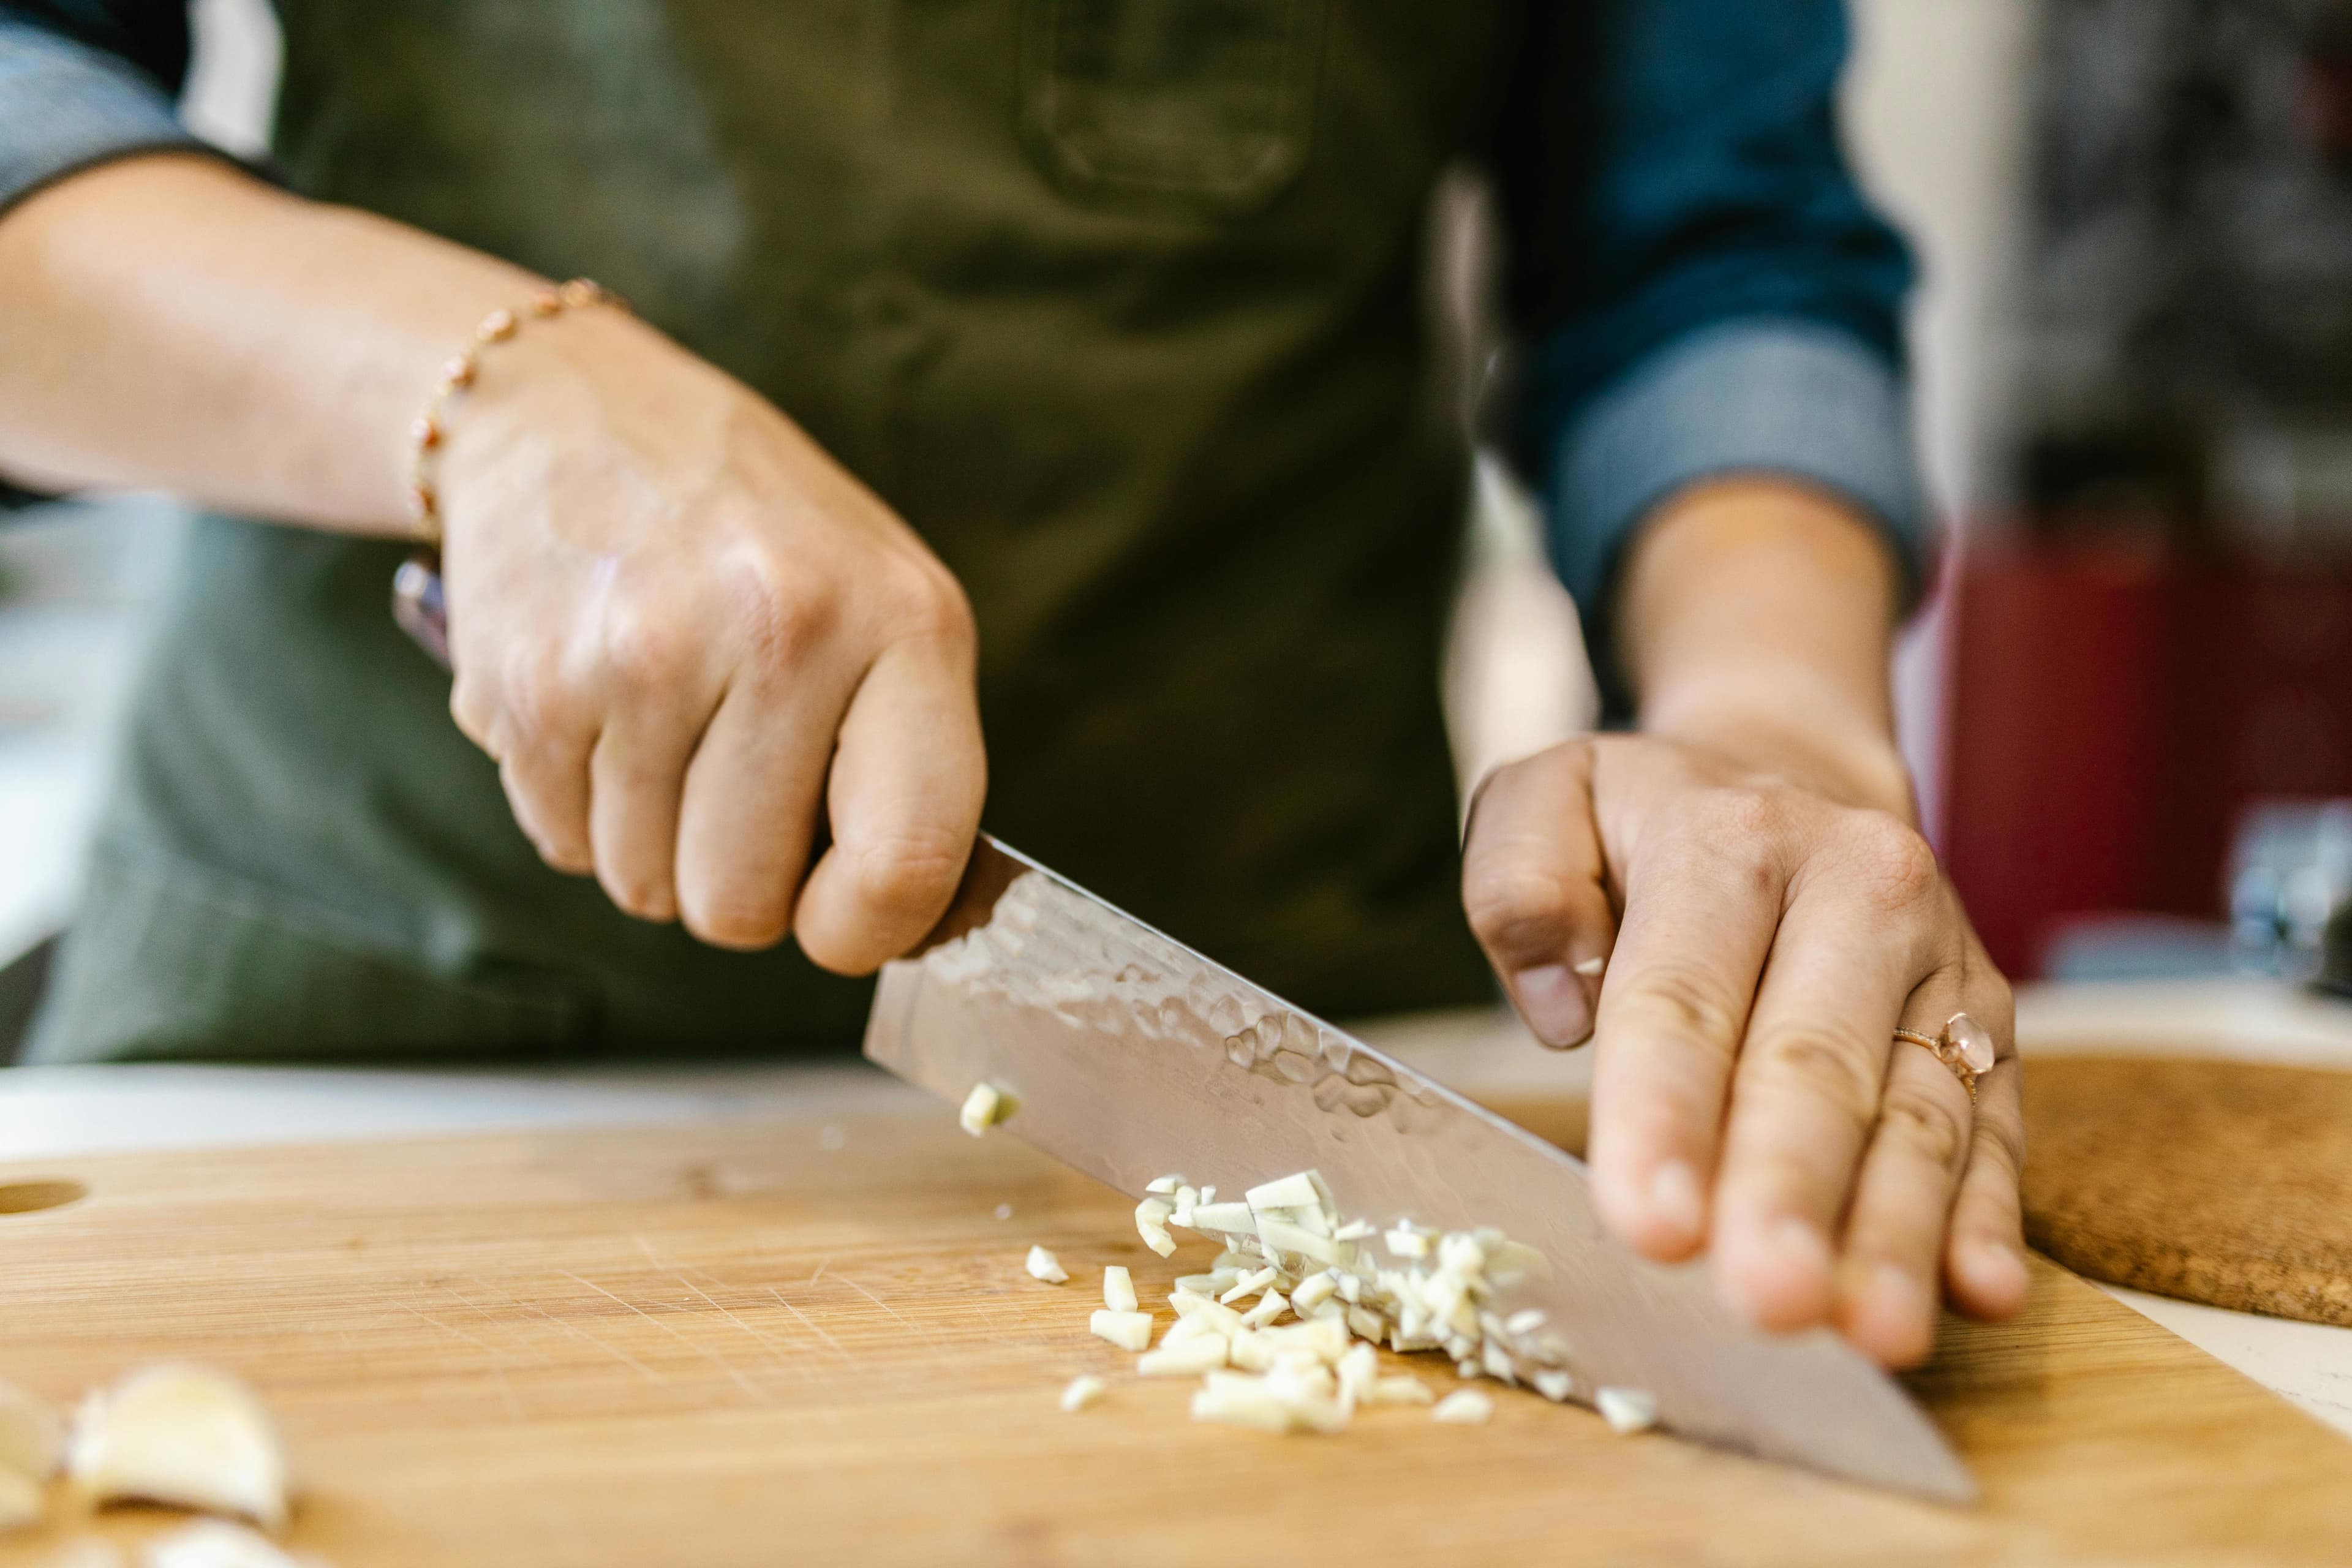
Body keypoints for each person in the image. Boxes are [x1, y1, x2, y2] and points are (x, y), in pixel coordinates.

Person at [0, 0, 2026, 1368]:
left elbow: (1714, 248)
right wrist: (494, 395)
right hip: (344, 1002)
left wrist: (1771, 717)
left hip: (1267, 1006)